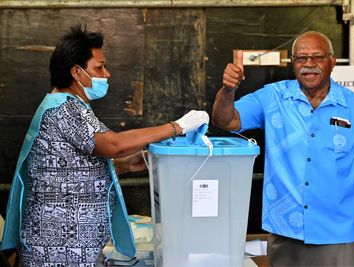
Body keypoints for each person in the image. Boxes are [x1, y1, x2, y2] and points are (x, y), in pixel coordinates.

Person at [0, 24, 209, 266]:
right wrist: (177, 127)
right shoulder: (65, 108)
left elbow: (67, 169)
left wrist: (123, 166)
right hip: (58, 251)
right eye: (99, 67)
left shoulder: (67, 105)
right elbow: (113, 144)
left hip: (68, 248)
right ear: (77, 72)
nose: (106, 73)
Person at [212, 31, 354, 266]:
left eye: (317, 57)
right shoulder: (273, 97)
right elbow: (225, 120)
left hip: (340, 234)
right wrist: (228, 90)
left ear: (332, 62)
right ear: (292, 63)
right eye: (301, 58)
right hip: (286, 231)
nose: (309, 64)